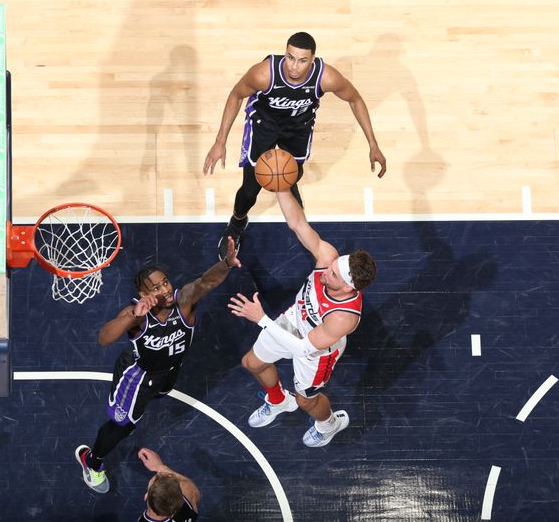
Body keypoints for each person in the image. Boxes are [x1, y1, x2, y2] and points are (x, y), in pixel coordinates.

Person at [203, 31, 387, 260]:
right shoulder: (264, 74)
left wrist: (373, 144)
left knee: (293, 174)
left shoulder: (326, 77)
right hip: (264, 124)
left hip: (298, 127)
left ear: (312, 60)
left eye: (302, 61)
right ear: (285, 54)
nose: (294, 67)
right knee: (250, 189)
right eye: (290, 57)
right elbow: (235, 95)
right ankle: (237, 223)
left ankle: (287, 183)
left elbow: (355, 99)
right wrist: (219, 142)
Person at [75, 239, 241, 493]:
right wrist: (133, 315)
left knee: (160, 392)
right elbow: (104, 338)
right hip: (138, 378)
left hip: (169, 371)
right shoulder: (137, 316)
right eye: (155, 287)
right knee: (123, 425)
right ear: (144, 294)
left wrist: (227, 263)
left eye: (165, 282)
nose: (164, 289)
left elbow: (207, 281)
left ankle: (148, 399)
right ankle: (92, 460)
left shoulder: (184, 302)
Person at [228, 190, 376, 447]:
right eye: (330, 267)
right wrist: (281, 188)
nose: (325, 270)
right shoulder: (328, 257)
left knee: (305, 399)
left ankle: (329, 424)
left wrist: (262, 318)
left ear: (348, 288)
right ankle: (277, 400)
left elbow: (301, 348)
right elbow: (297, 223)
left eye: (332, 275)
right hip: (294, 321)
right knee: (252, 363)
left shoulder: (343, 317)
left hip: (317, 351)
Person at [137, 447, 199, 522]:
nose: (159, 474)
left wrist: (160, 468)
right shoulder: (187, 509)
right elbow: (193, 491)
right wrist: (161, 467)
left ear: (146, 496)